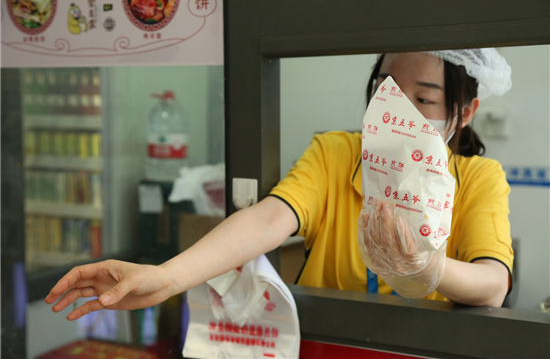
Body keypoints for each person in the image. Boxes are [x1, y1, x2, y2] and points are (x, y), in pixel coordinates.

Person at [46, 49, 514, 321]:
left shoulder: (478, 178)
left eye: (423, 98)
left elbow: (493, 285)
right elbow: (270, 217)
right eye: (385, 88)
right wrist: (167, 278)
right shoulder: (336, 153)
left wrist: (428, 269)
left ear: (465, 111)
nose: (397, 110)